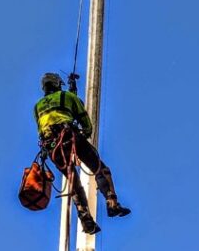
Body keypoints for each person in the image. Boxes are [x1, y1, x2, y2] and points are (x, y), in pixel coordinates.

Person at [34, 72, 130, 234]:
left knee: (73, 181)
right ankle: (112, 203)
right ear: (57, 84)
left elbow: (44, 126)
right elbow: (84, 119)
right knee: (99, 168)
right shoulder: (67, 97)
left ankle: (86, 221)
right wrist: (85, 133)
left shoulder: (37, 107)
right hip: (70, 137)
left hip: (52, 148)